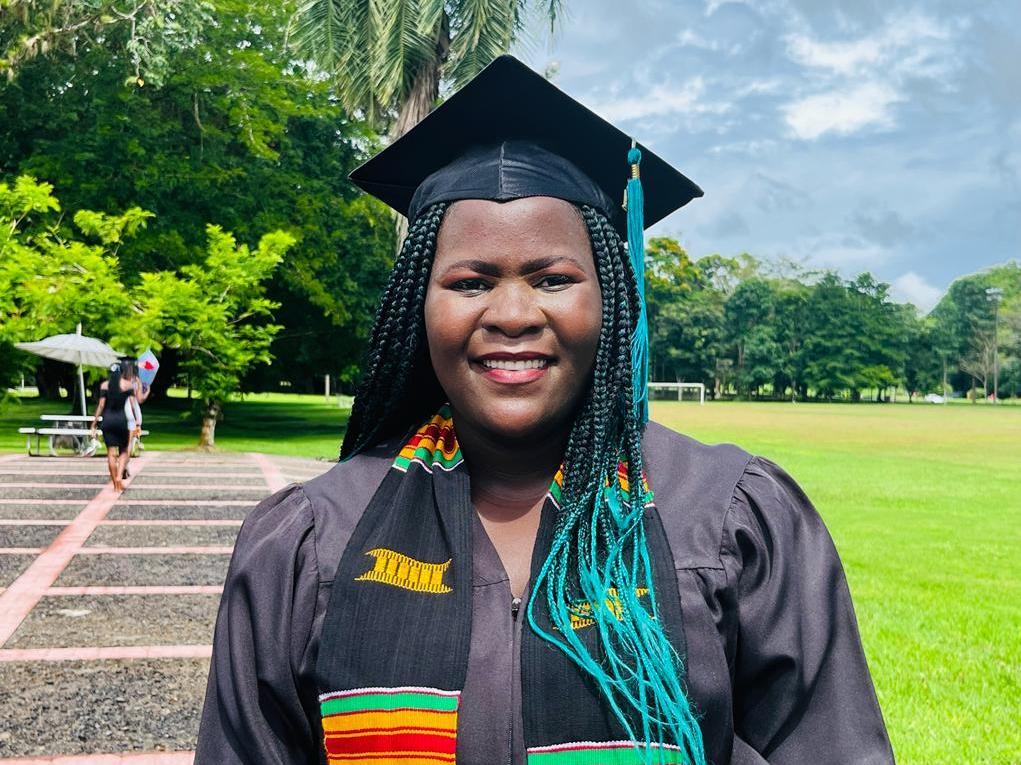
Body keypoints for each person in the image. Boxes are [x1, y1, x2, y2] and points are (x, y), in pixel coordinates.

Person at [196, 56, 894, 765]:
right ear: (418, 305)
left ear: (610, 296)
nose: (511, 314)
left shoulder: (728, 517)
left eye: (552, 278)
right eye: (469, 282)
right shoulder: (314, 537)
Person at [90, 361, 137, 492]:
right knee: (123, 451)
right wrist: (137, 421)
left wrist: (94, 423)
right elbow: (133, 405)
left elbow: (101, 405)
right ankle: (118, 477)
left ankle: (115, 486)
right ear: (122, 371)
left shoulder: (105, 385)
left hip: (107, 421)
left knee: (111, 453)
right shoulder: (128, 386)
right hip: (121, 420)